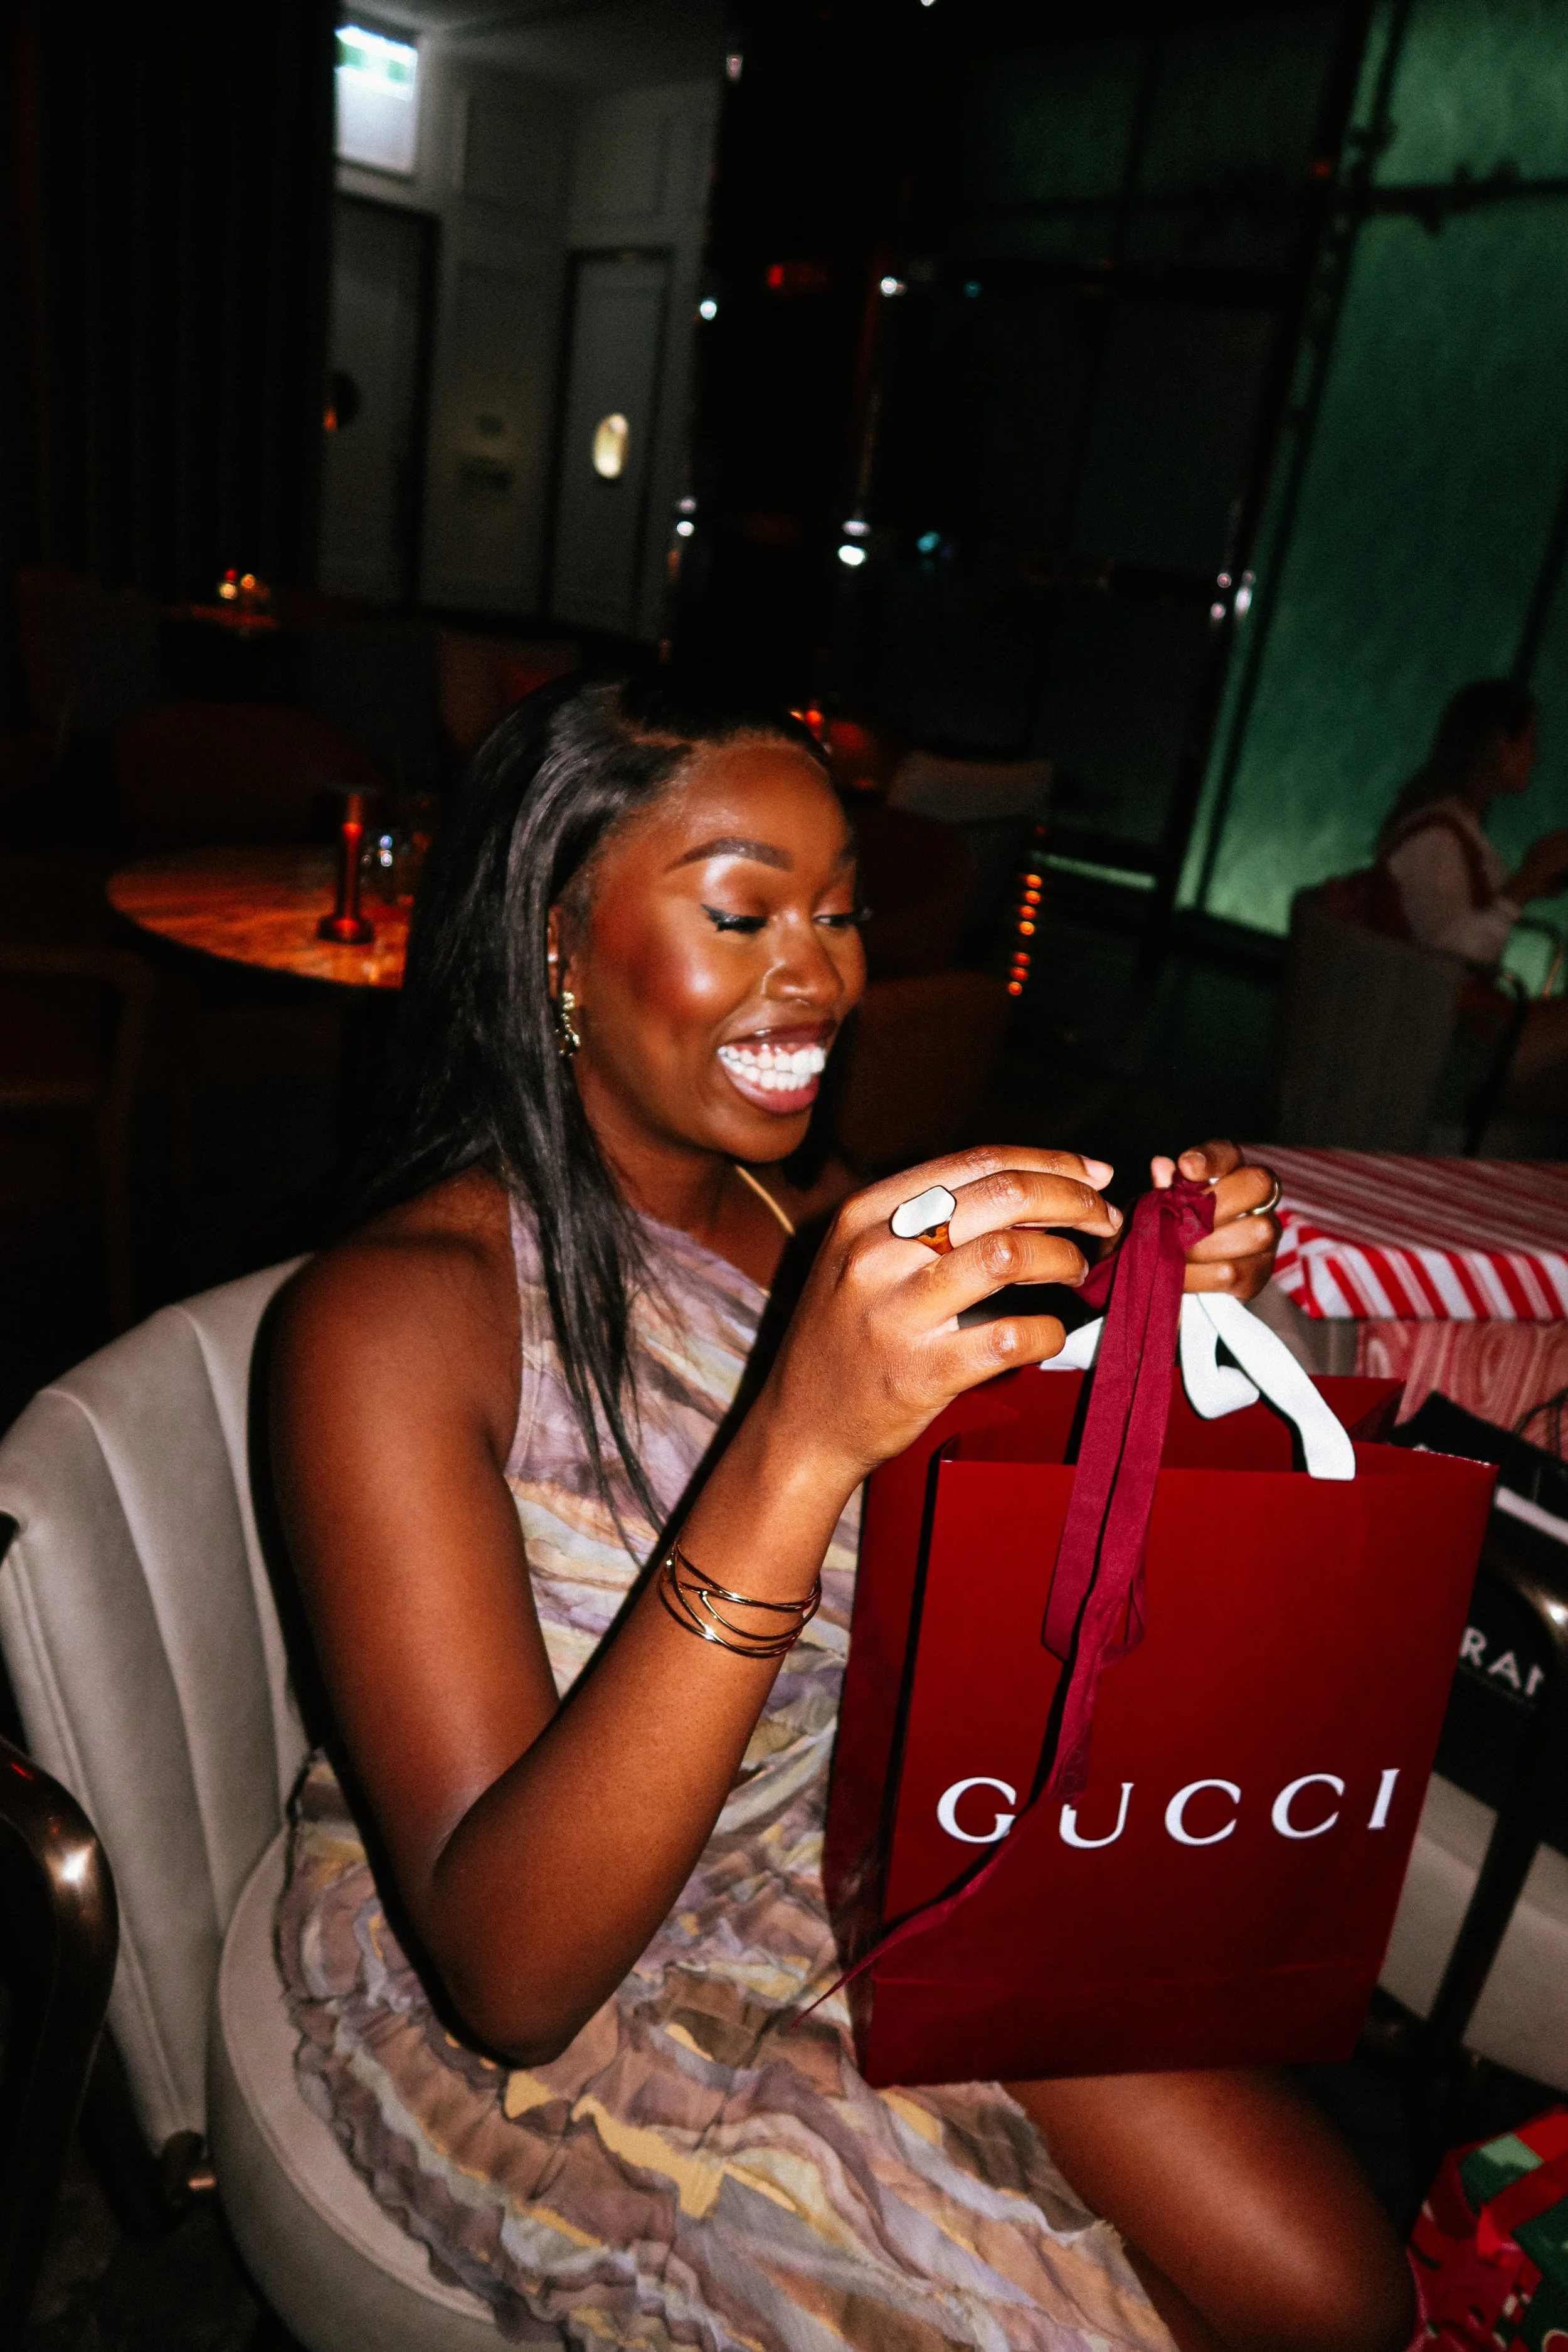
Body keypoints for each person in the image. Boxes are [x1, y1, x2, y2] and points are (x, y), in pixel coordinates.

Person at [270, 677, 1414, 2352]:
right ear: (554, 941)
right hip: (572, 1958)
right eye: (744, 911)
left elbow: (981, 1547)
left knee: (1332, 2288)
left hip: (862, 1816)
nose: (824, 973)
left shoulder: (812, 1209)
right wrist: (794, 1451)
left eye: (840, 910)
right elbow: (508, 1971)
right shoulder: (385, 1320)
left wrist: (1151, 1335)